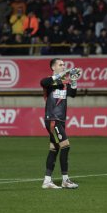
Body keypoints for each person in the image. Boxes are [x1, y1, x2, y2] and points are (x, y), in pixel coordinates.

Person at [40, 58, 81, 189]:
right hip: (53, 120)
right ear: (53, 67)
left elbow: (73, 94)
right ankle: (65, 179)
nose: (63, 66)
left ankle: (47, 180)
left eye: (64, 65)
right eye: (60, 64)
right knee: (65, 146)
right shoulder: (49, 81)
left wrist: (73, 80)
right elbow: (43, 82)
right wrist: (63, 74)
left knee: (54, 149)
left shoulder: (63, 83)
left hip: (61, 120)